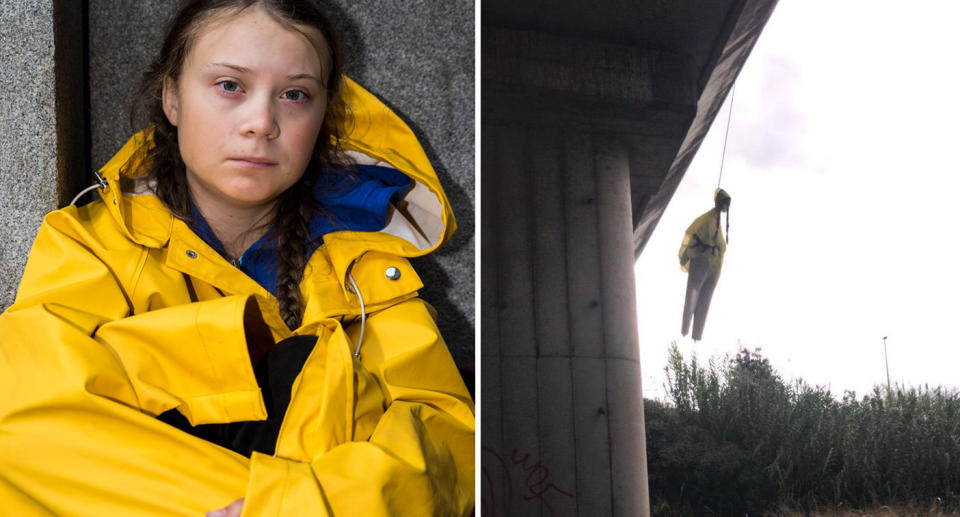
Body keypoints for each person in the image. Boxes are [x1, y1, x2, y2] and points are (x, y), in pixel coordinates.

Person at [0, 1, 474, 516]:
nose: (261, 122)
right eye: (230, 86)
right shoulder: (88, 245)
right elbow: (24, 425)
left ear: (322, 117)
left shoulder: (366, 268)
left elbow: (450, 443)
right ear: (173, 98)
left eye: (295, 95)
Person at [678, 188, 731, 341]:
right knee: (693, 292)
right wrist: (687, 254)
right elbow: (694, 235)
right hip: (701, 260)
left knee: (705, 298)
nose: (725, 208)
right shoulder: (707, 219)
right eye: (724, 203)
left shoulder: (717, 222)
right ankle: (685, 329)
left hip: (712, 265)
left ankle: (696, 334)